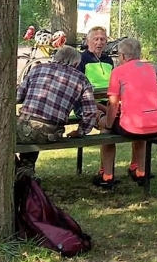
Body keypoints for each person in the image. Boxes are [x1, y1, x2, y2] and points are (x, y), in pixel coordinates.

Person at [16, 46, 99, 174]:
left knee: (8, 135)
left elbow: (17, 96)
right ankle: (25, 170)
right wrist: (81, 131)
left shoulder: (37, 69)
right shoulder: (81, 79)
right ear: (76, 63)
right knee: (36, 132)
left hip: (25, 125)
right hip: (51, 132)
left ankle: (21, 170)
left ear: (55, 57)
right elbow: (90, 112)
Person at [97, 38, 157, 187]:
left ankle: (106, 174)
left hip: (134, 127)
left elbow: (113, 104)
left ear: (122, 56)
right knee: (137, 122)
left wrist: (108, 124)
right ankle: (139, 170)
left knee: (102, 123)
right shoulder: (150, 69)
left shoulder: (118, 72)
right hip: (156, 124)